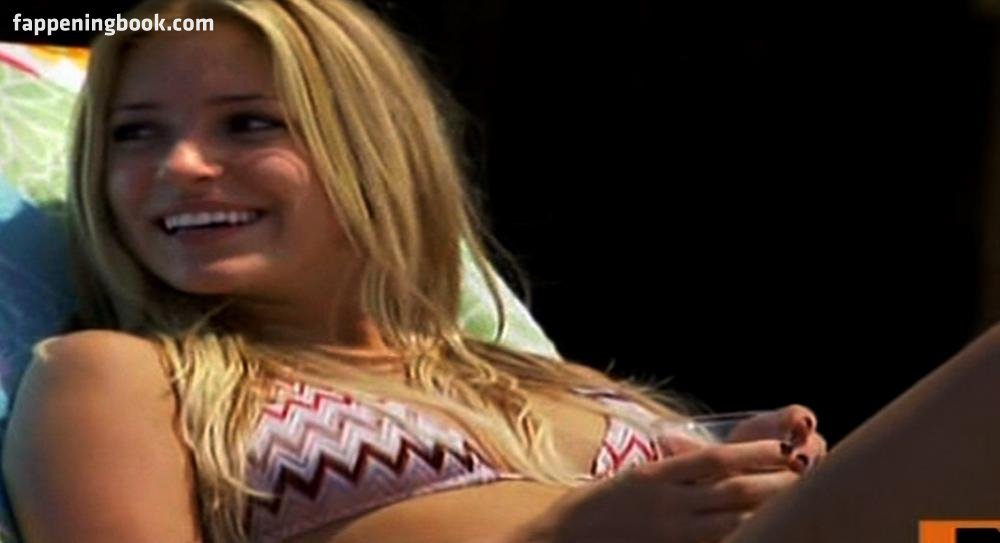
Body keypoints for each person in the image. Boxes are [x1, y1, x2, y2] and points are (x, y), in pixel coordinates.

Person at [1, 0, 827, 542]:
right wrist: (559, 535)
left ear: (372, 147)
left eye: (248, 124)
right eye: (134, 133)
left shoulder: (542, 379)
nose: (181, 165)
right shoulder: (124, 378)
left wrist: (737, 468)